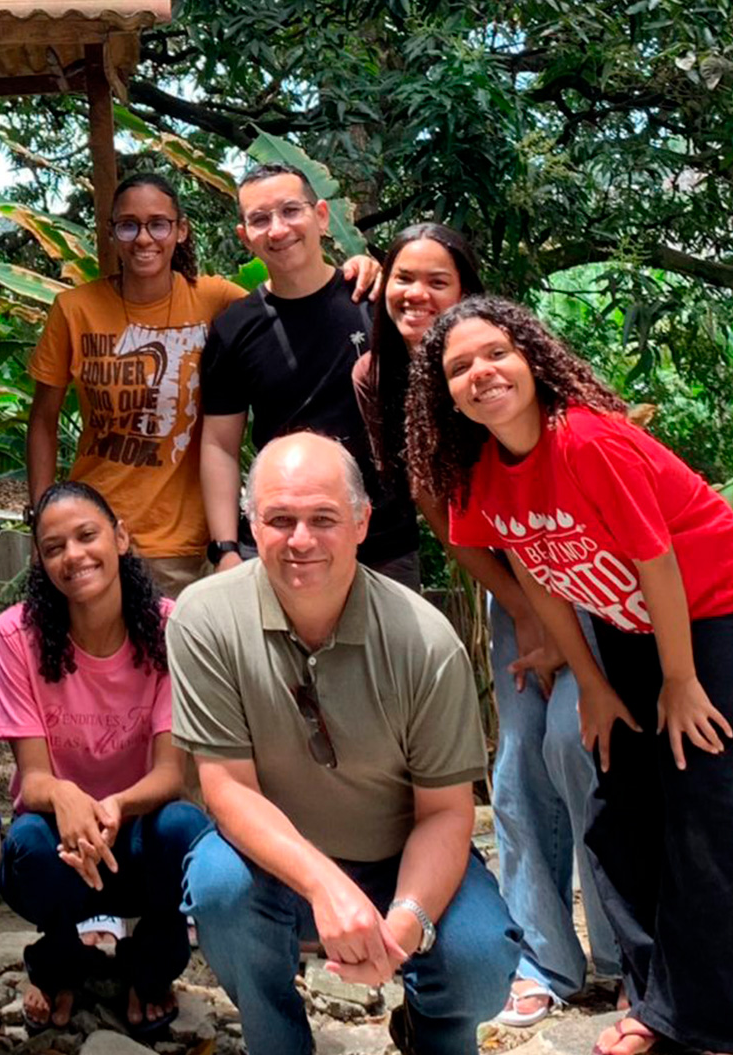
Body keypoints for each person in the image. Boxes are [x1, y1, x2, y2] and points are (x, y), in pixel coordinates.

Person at [408, 297, 733, 1055]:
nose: (482, 373)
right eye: (459, 367)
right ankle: (657, 1002)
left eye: (497, 353)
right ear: (445, 395)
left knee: (702, 804)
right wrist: (596, 687)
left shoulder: (585, 440)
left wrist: (680, 680)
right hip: (629, 625)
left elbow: (657, 559)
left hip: (716, 608)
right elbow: (535, 569)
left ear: (532, 359)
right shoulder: (480, 474)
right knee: (618, 810)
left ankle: (725, 1030)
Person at [173, 432, 519, 1055]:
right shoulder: (205, 617)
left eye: (324, 519)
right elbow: (227, 789)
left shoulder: (425, 641)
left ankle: (429, 1028)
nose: (301, 540)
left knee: (480, 958)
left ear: (362, 523)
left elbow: (446, 813)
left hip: (398, 860)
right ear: (252, 524)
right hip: (273, 865)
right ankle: (277, 1039)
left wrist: (405, 924)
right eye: (280, 520)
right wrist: (324, 886)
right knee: (218, 886)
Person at [352, 225, 618, 1025]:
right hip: (514, 586)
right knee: (517, 767)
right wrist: (526, 612)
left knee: (580, 746)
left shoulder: (501, 360)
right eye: (404, 277)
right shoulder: (379, 377)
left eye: (439, 281)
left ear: (468, 292)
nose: (417, 295)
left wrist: (553, 614)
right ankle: (544, 959)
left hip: (587, 573)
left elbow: (563, 491)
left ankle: (628, 957)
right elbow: (443, 515)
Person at [26, 173, 381, 596]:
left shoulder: (216, 300)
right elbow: (43, 421)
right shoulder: (74, 309)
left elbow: (289, 297)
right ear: (112, 232)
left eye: (158, 224)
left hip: (185, 543)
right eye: (128, 225)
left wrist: (359, 269)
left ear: (181, 230)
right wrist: (42, 518)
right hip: (91, 533)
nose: (144, 238)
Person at [0, 480, 211, 1035]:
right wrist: (68, 798)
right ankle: (62, 963)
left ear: (120, 538)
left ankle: (150, 965)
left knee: (186, 829)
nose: (74, 555)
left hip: (136, 838)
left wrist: (113, 807)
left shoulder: (170, 627)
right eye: (54, 547)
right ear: (40, 561)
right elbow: (34, 779)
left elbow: (169, 775)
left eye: (87, 536)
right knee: (25, 847)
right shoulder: (15, 636)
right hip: (62, 847)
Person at [199, 165, 419, 586]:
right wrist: (225, 548)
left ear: (320, 216)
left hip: (384, 539)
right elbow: (220, 445)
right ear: (245, 236)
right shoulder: (234, 329)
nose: (278, 229)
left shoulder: (375, 300)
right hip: (284, 541)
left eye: (290, 211)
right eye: (260, 219)